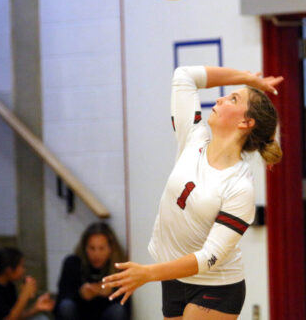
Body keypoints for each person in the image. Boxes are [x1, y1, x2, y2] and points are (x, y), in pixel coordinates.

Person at [102, 66, 283, 319]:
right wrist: (248, 79)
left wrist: (148, 273)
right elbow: (184, 76)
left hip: (216, 285)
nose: (220, 98)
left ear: (245, 122)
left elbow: (210, 257)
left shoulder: (240, 186)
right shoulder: (194, 136)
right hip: (174, 278)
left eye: (233, 99)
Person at [54, 222, 130, 320]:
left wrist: (110, 293)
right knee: (66, 306)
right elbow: (60, 300)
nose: (96, 254)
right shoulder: (72, 263)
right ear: (85, 248)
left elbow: (127, 306)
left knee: (118, 310)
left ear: (111, 249)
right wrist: (80, 294)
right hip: (79, 314)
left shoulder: (119, 267)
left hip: (105, 313)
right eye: (92, 248)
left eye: (101, 248)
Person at [0, 247, 54, 320]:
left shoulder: (9, 286)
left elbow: (16, 316)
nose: (23, 270)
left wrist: (36, 307)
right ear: (9, 271)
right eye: (21, 266)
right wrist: (25, 294)